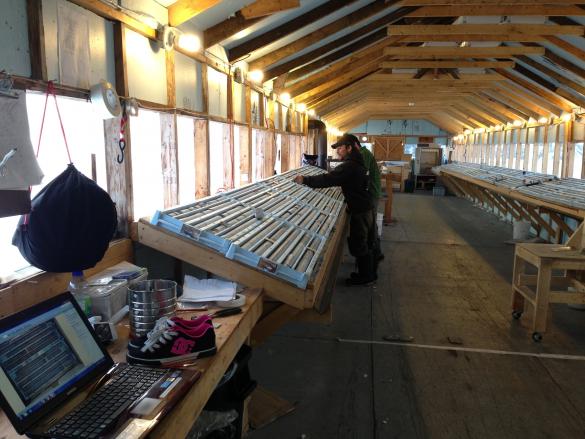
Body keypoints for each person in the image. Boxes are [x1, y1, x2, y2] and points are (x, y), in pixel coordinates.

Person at [293, 134, 377, 285]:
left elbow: (328, 179)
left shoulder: (349, 166)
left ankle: (366, 277)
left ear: (349, 148)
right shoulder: (358, 163)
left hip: (360, 209)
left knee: (359, 243)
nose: (338, 151)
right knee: (366, 241)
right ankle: (368, 274)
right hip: (366, 206)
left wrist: (305, 180)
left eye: (340, 148)